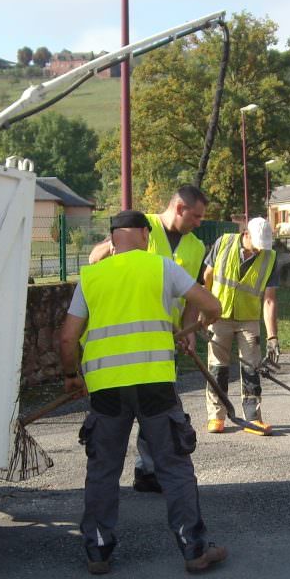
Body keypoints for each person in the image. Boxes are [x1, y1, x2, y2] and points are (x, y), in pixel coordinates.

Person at [59, 210, 227, 575]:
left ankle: (98, 553)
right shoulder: (161, 267)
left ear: (113, 238)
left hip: (106, 390)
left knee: (103, 470)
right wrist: (202, 322)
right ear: (142, 234)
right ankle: (195, 550)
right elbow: (212, 305)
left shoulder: (90, 276)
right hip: (154, 385)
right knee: (174, 467)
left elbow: (68, 337)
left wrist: (72, 375)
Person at [87, 185, 210, 493]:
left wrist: (188, 331)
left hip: (164, 339)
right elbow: (95, 260)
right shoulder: (142, 226)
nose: (199, 222)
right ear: (179, 208)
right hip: (127, 336)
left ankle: (148, 468)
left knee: (157, 407)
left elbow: (193, 295)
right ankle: (145, 468)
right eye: (196, 216)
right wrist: (112, 248)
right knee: (135, 408)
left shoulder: (196, 246)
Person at [202, 216, 280, 433]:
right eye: (255, 246)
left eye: (262, 248)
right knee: (217, 367)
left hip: (248, 319)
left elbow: (270, 299)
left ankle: (252, 418)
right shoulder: (223, 243)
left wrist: (272, 337)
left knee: (252, 367)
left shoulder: (270, 257)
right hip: (219, 316)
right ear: (245, 235)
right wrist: (205, 308)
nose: (258, 252)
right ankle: (216, 416)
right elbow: (207, 276)